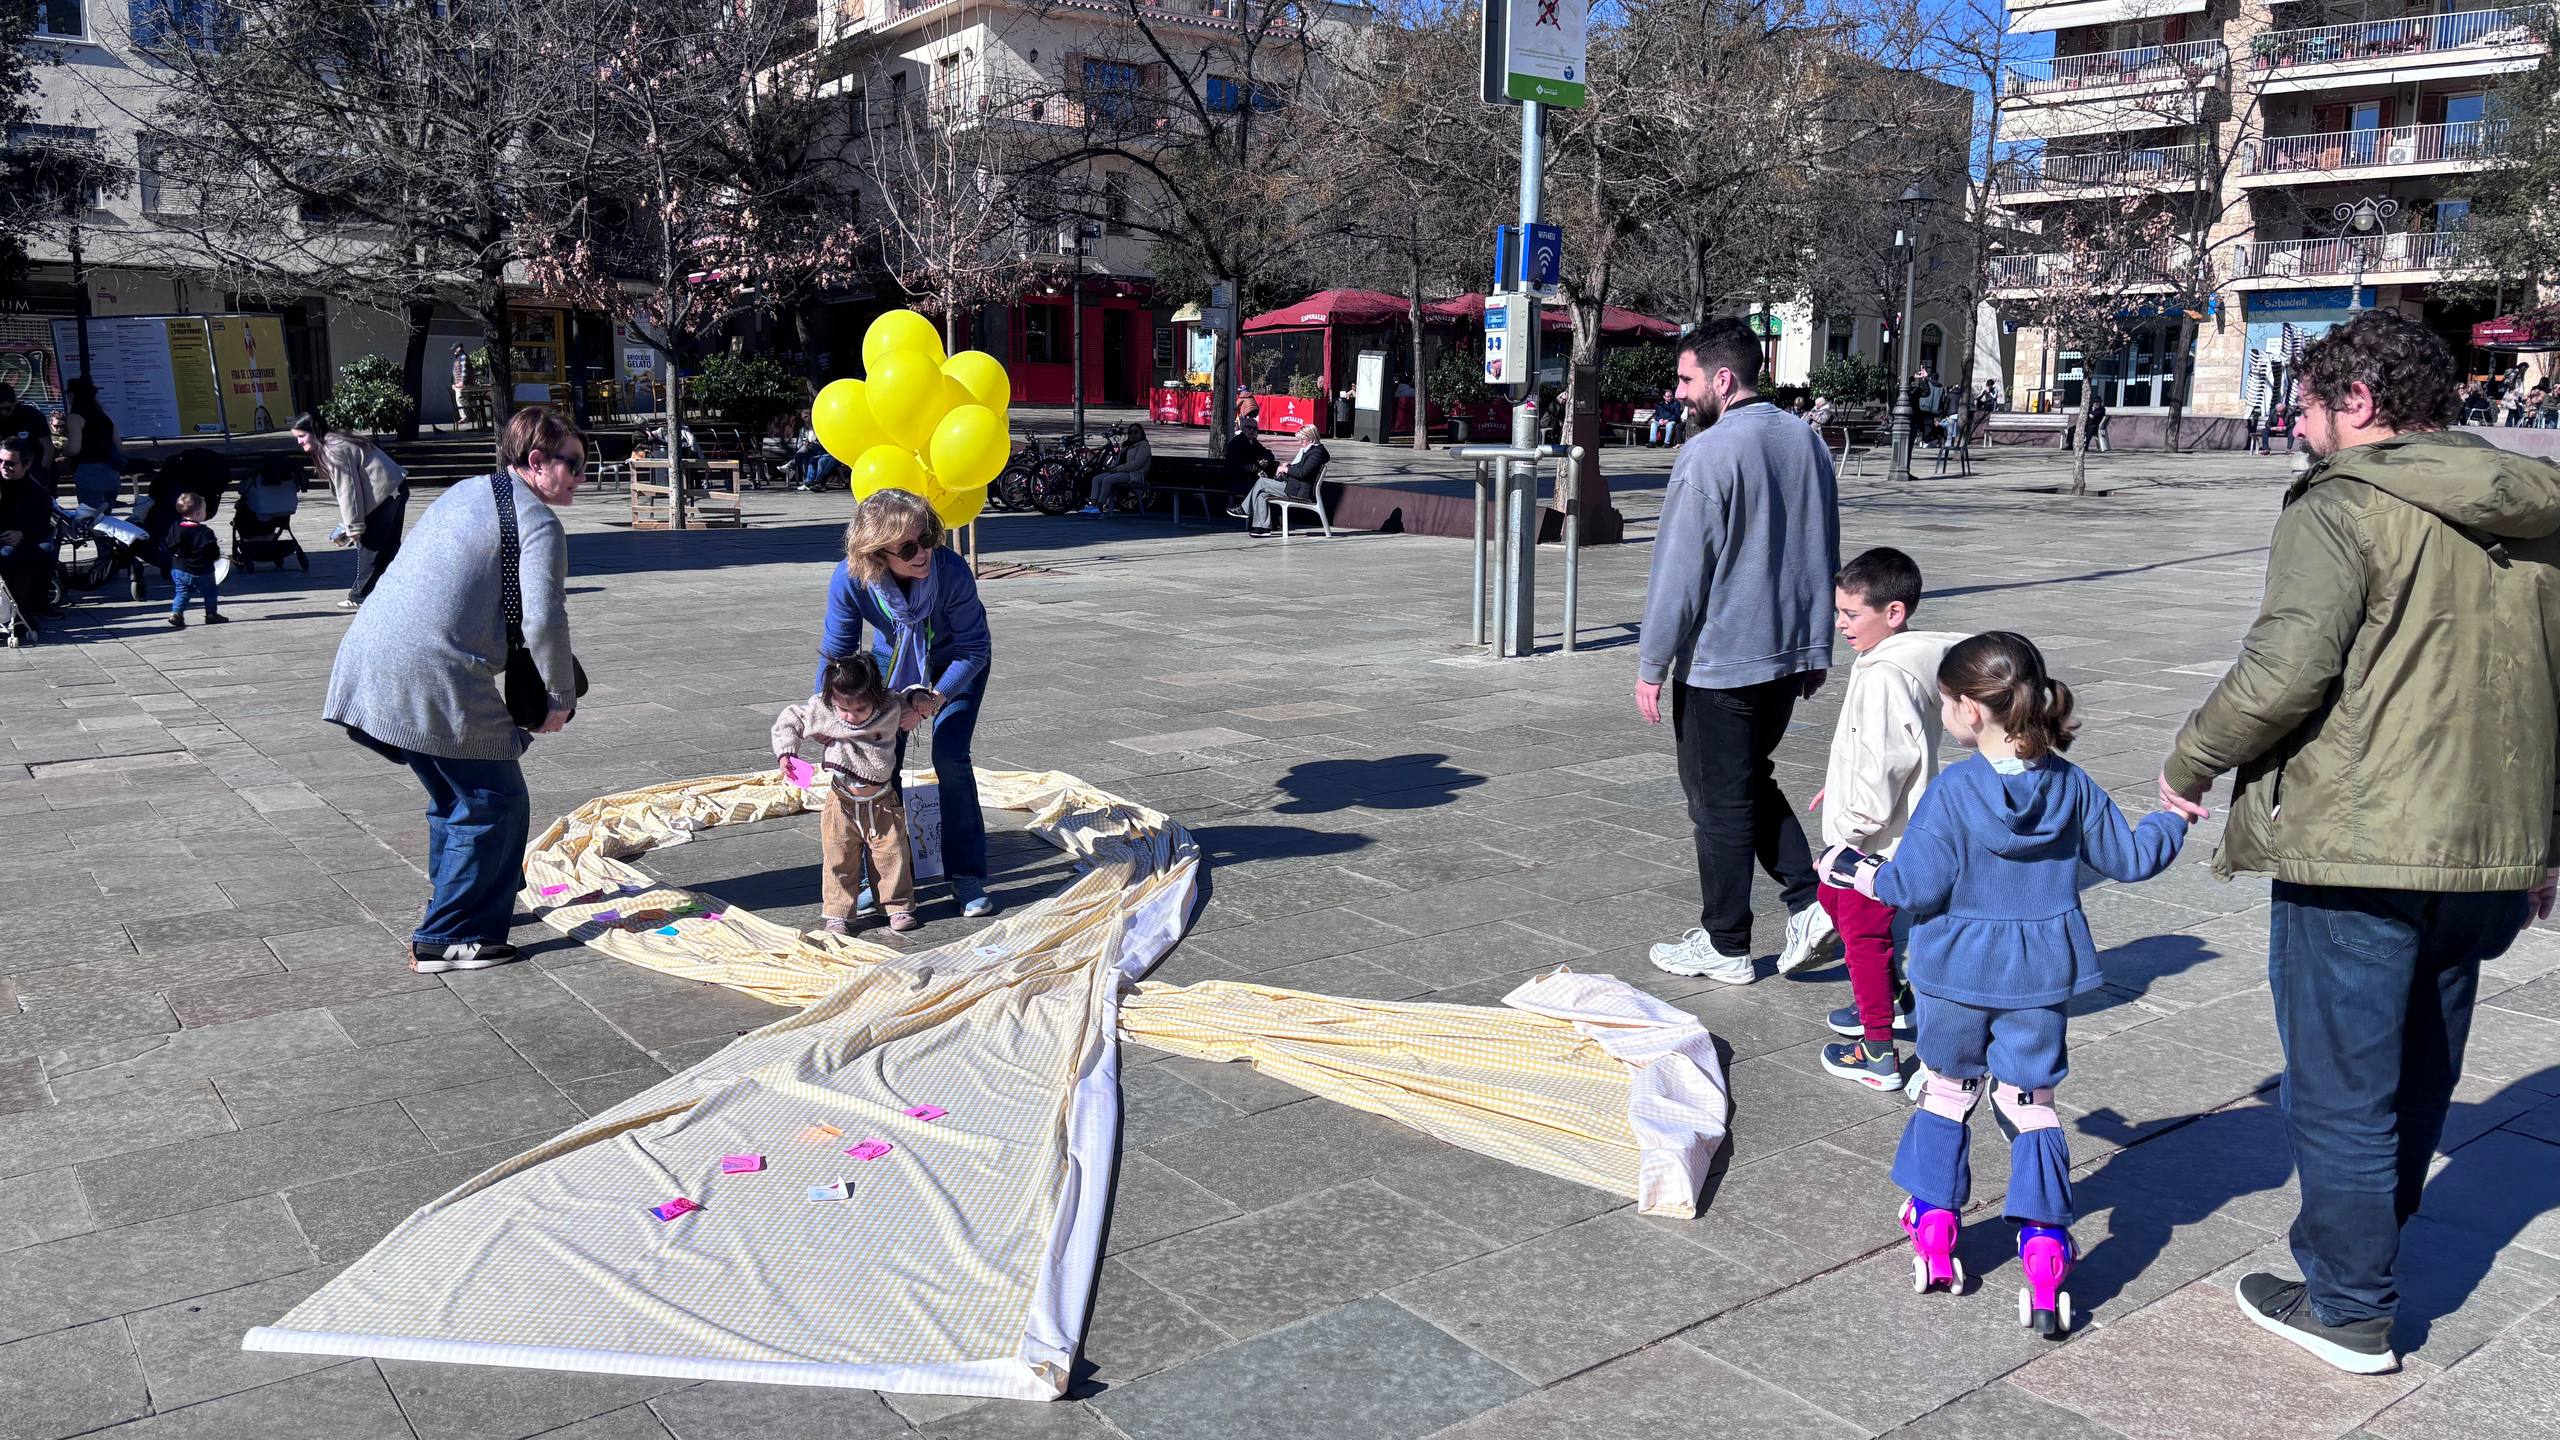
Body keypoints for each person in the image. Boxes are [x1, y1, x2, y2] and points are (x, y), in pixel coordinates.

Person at [2155, 310, 2560, 1375]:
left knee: (2342, 1085)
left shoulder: (2343, 504)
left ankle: (2345, 1302)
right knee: (2421, 1066)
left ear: (2361, 406)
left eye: (2308, 402)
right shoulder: (2534, 512)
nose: (2295, 421)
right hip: (2490, 846)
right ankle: (2361, 1260)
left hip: (2363, 841)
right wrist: (2546, 842)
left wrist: (2191, 760)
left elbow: (2286, 670)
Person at [1827, 632, 2187, 1337]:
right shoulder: (2072, 785)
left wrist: (1851, 866)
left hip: (1953, 971)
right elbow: (2132, 858)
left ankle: (1935, 1227)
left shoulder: (1954, 791)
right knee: (2031, 1102)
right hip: (2040, 976)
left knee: (1947, 1089)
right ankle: (2047, 1246)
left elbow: (1912, 884)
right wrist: (2175, 816)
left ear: (1967, 711)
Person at [322, 406, 583, 974]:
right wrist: (559, 697)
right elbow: (544, 620)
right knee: (494, 803)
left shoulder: (469, 490)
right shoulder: (537, 521)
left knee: (456, 797)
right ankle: (449, 936)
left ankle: (456, 904)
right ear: (535, 462)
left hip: (368, 659)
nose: (581, 478)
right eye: (574, 465)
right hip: (431, 675)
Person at [1635, 316, 1841, 984]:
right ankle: (1812, 902)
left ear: (1723, 380)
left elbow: (1679, 572)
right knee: (1747, 783)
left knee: (1716, 800)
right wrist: (1817, 646)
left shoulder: (1709, 453)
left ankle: (1727, 943)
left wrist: (1651, 663)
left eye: (1687, 378)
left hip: (1723, 659)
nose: (1678, 390)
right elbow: (1822, 547)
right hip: (1786, 655)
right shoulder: (1807, 442)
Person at [1814, 548, 1961, 1091]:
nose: (1841, 625)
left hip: (1874, 838)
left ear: (1893, 612)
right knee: (1837, 906)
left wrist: (1845, 837)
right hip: (1886, 823)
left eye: (1852, 614)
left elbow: (1886, 763)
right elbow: (1878, 748)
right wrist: (1839, 780)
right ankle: (1894, 1003)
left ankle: (1877, 1054)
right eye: (1840, 612)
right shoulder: (1905, 660)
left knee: (1862, 935)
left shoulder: (1883, 675)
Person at [818, 488, 997, 918]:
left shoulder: (950, 570)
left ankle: (967, 875)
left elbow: (975, 647)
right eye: (909, 547)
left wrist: (933, 699)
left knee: (950, 755)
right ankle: (880, 877)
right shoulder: (851, 578)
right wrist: (831, 721)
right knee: (876, 761)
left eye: (929, 537)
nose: (924, 553)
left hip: (957, 663)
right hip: (890, 662)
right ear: (877, 552)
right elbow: (837, 655)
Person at [774, 653, 920, 935]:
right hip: (841, 801)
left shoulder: (890, 706)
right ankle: (838, 913)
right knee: (839, 857)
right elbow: (791, 718)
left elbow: (911, 694)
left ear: (875, 698)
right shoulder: (825, 709)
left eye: (860, 709)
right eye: (844, 710)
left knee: (892, 855)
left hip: (881, 801)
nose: (850, 717)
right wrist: (786, 752)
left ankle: (897, 906)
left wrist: (921, 701)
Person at [293, 412, 409, 608]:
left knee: (371, 547)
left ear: (314, 432)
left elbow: (348, 490)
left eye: (301, 436)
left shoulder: (333, 449)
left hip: (383, 495)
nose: (298, 441)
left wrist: (353, 527)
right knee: (389, 546)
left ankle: (360, 595)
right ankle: (392, 590)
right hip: (395, 487)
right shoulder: (337, 439)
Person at [1233, 423, 1327, 537]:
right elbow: (1302, 469)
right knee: (1261, 494)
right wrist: (1289, 466)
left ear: (1311, 439)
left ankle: (1245, 509)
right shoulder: (1312, 451)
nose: (1300, 442)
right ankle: (1262, 528)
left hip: (1299, 491)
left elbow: (1303, 473)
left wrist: (1285, 470)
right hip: (1294, 486)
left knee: (1262, 482)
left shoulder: (1316, 454)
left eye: (1302, 440)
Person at [0, 434, 57, 621]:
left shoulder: (36, 492)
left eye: (10, 464)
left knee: (46, 550)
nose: (3, 467)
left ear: (26, 464)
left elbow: (42, 525)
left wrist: (21, 534)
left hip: (23, 541)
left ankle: (36, 604)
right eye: (0, 461)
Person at [164, 492, 226, 630]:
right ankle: (211, 615)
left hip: (179, 568)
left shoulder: (175, 527)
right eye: (204, 510)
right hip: (201, 570)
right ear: (198, 513)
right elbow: (211, 552)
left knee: (182, 591)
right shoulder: (205, 532)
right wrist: (216, 555)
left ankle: (176, 614)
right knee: (210, 592)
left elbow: (168, 543)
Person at [61, 378, 120, 512]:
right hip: (112, 473)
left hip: (88, 472)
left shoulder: (75, 417)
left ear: (72, 395)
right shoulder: (105, 417)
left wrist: (63, 452)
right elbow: (119, 446)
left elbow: (74, 449)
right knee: (108, 521)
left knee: (91, 520)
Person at [1084, 423, 1152, 515]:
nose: (1133, 434)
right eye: (1130, 432)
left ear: (1141, 433)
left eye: (1136, 432)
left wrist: (1117, 469)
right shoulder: (1126, 445)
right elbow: (1118, 460)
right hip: (1119, 472)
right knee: (1096, 479)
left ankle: (1099, 506)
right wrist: (1112, 467)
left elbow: (1136, 464)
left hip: (1133, 474)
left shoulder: (1144, 446)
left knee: (1107, 480)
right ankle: (1092, 504)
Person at [0, 382, 49, 483]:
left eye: (7, 408)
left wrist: (43, 471)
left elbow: (47, 447)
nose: (3, 412)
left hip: (33, 472)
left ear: (15, 402)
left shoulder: (32, 416)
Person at [449, 344, 470, 429]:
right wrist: (454, 383)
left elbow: (464, 370)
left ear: (459, 348)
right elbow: (456, 372)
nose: (453, 351)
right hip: (458, 384)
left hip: (462, 385)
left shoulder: (463, 357)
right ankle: (466, 416)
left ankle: (465, 417)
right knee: (461, 399)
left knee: (460, 398)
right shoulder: (459, 358)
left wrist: (462, 383)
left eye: (455, 349)